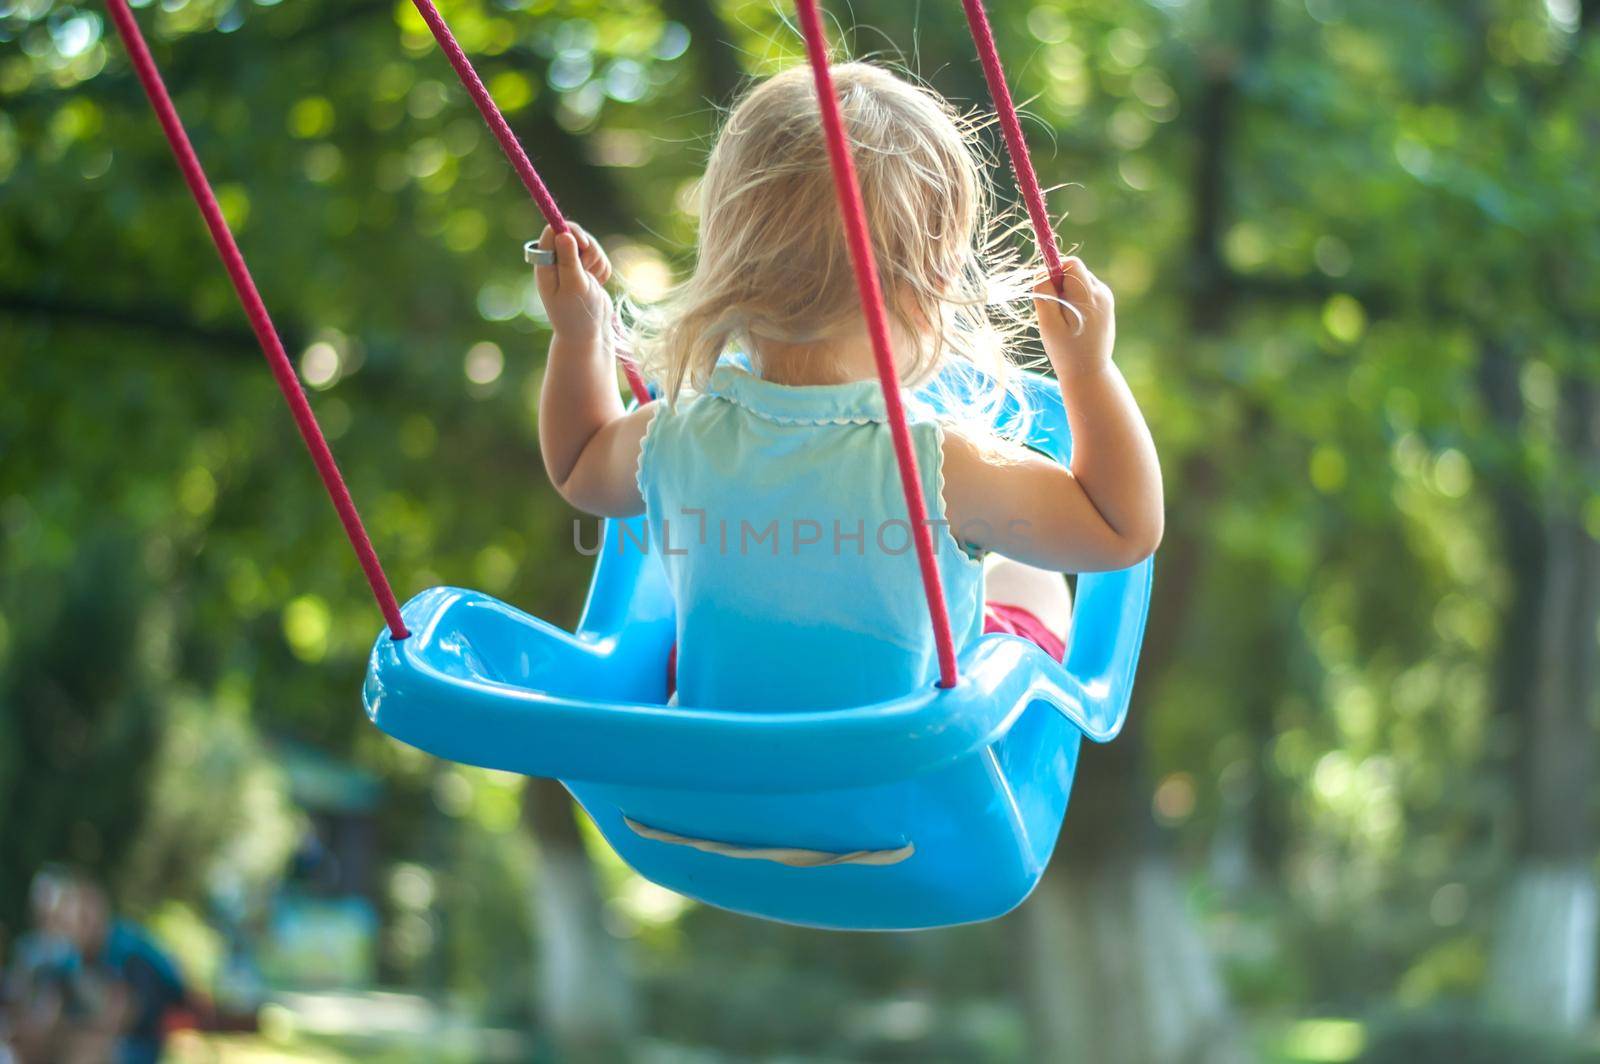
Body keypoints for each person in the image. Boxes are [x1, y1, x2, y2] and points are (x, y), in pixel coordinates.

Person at [534, 62, 1163, 711]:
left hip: (702, 791)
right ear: (931, 290)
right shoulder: (940, 467)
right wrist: (1088, 371)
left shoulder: (672, 433)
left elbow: (579, 462)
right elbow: (1121, 530)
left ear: (728, 260)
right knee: (1029, 579)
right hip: (893, 792)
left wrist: (579, 337)